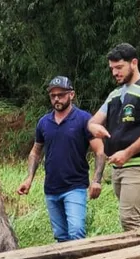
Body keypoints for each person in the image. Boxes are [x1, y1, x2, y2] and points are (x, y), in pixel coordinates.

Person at [88, 42, 140, 231]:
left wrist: (128, 153)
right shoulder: (115, 94)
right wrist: (93, 127)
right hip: (118, 166)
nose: (115, 72)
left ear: (134, 63)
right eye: (112, 69)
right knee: (137, 218)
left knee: (128, 218)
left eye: (119, 67)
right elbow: (93, 121)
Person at [18, 76, 106, 242]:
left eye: (61, 94)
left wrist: (96, 180)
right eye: (53, 96)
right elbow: (35, 152)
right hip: (51, 189)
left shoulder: (84, 119)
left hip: (75, 186)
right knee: (61, 237)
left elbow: (100, 151)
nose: (57, 98)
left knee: (77, 232)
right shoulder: (44, 122)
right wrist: (29, 178)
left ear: (71, 95)